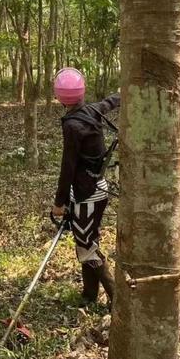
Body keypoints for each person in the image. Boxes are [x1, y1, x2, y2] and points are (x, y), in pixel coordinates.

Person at [52, 68, 119, 305]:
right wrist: (123, 93)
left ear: (59, 97)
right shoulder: (91, 110)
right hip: (97, 191)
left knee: (86, 247)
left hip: (86, 196)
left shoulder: (71, 126)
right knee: (87, 241)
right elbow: (109, 102)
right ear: (82, 91)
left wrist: (59, 203)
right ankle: (89, 295)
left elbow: (67, 168)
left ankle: (117, 297)